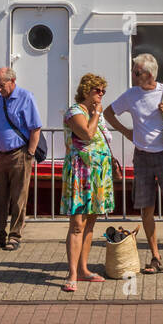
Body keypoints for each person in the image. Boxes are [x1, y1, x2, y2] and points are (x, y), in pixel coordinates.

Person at [104, 53, 163, 278]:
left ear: (149, 74)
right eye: (134, 72)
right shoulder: (131, 95)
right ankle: (155, 257)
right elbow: (108, 113)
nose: (133, 76)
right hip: (142, 157)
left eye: (136, 72)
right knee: (146, 209)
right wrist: (126, 132)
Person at [0, 68, 42, 251]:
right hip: (1, 155)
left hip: (19, 154)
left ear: (12, 80)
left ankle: (15, 235)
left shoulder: (26, 97)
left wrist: (30, 153)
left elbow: (36, 128)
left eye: (2, 85)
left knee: (18, 197)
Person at [60, 73, 114, 292]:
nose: (101, 94)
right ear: (86, 91)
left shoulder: (95, 114)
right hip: (80, 172)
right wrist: (97, 113)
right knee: (77, 224)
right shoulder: (75, 112)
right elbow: (87, 135)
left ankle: (83, 269)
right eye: (97, 90)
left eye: (103, 91)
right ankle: (72, 274)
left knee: (90, 223)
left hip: (98, 173)